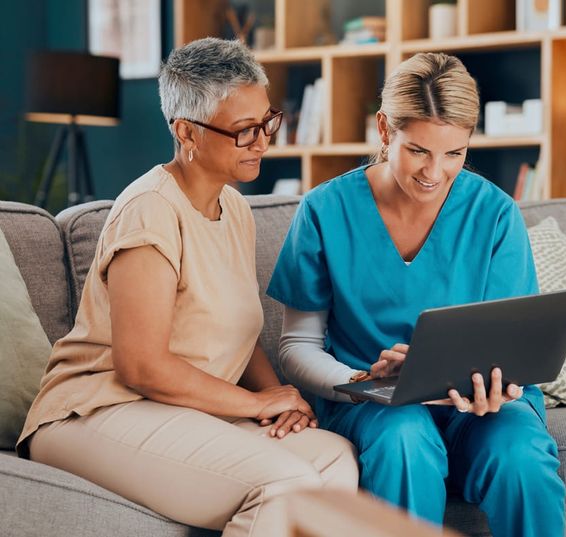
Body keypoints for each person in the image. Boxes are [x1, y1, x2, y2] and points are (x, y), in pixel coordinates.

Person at [17, 37, 357, 537]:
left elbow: (236, 333)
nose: (262, 141)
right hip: (97, 409)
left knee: (334, 460)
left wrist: (281, 396)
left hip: (186, 408)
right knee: (284, 482)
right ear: (186, 132)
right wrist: (258, 404)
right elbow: (142, 366)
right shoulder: (150, 210)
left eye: (267, 122)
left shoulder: (235, 207)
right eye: (244, 131)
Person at [266, 52, 566, 537]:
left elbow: (515, 346)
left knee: (521, 455)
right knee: (404, 439)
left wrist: (501, 384)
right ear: (385, 131)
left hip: (480, 408)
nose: (436, 172)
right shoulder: (324, 210)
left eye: (455, 153)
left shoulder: (494, 214)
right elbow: (296, 347)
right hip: (375, 407)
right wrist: (364, 378)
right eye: (418, 150)